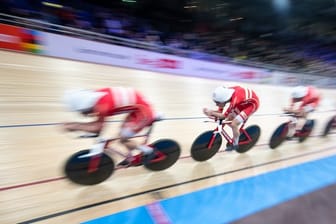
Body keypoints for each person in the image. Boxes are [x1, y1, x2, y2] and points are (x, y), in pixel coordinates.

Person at [62, 87, 157, 167]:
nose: (83, 114)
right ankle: (130, 157)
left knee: (123, 138)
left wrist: (75, 126)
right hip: (137, 108)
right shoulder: (95, 96)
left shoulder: (102, 106)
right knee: (122, 134)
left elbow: (97, 129)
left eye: (82, 111)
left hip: (144, 112)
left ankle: (149, 151)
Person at [203, 85, 260, 151]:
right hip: (242, 102)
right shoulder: (225, 94)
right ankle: (237, 132)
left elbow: (223, 116)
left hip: (252, 105)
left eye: (217, 103)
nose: (216, 104)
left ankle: (235, 144)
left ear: (224, 100)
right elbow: (219, 111)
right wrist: (210, 112)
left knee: (234, 124)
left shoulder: (234, 100)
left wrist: (212, 113)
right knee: (228, 120)